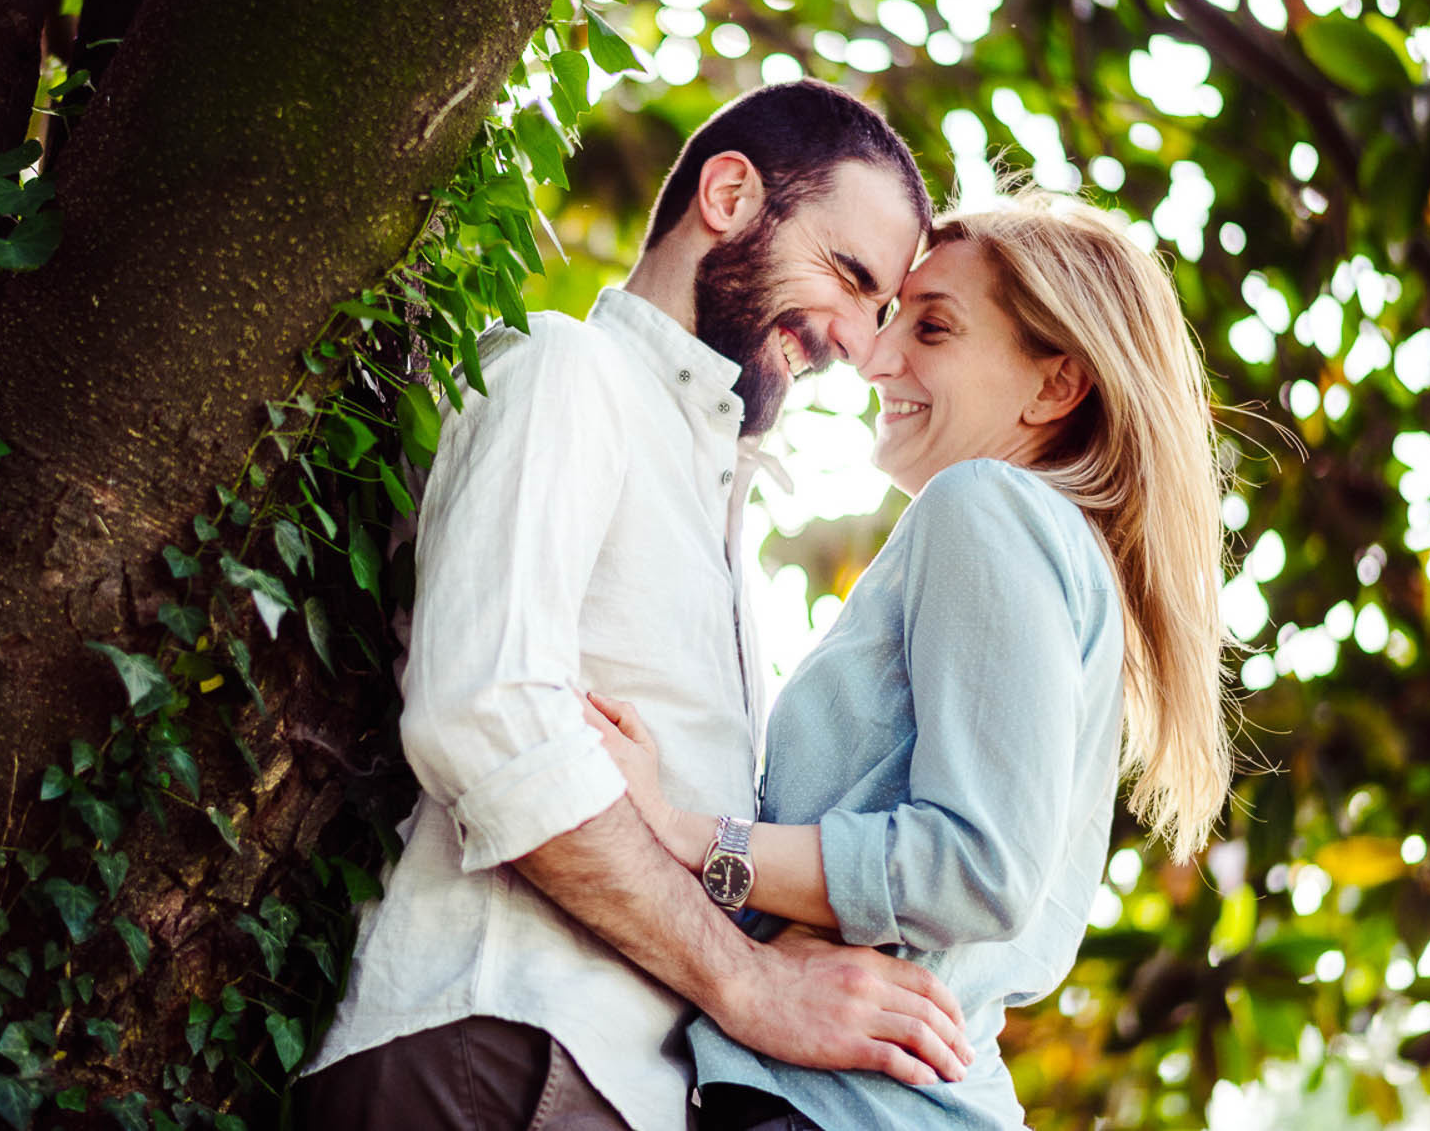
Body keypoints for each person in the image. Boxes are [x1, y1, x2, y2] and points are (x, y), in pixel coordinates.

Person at [301, 79, 974, 1131]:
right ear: (729, 195)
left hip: (612, 1086)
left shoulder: (710, 494)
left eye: (880, 310)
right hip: (504, 1051)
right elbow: (484, 719)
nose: (855, 340)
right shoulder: (569, 372)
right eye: (848, 278)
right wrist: (753, 987)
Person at [586, 194, 1236, 1129]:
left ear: (1055, 386)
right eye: (892, 320)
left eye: (933, 328)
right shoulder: (1055, 555)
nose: (878, 358)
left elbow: (975, 868)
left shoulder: (988, 505)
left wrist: (693, 834)